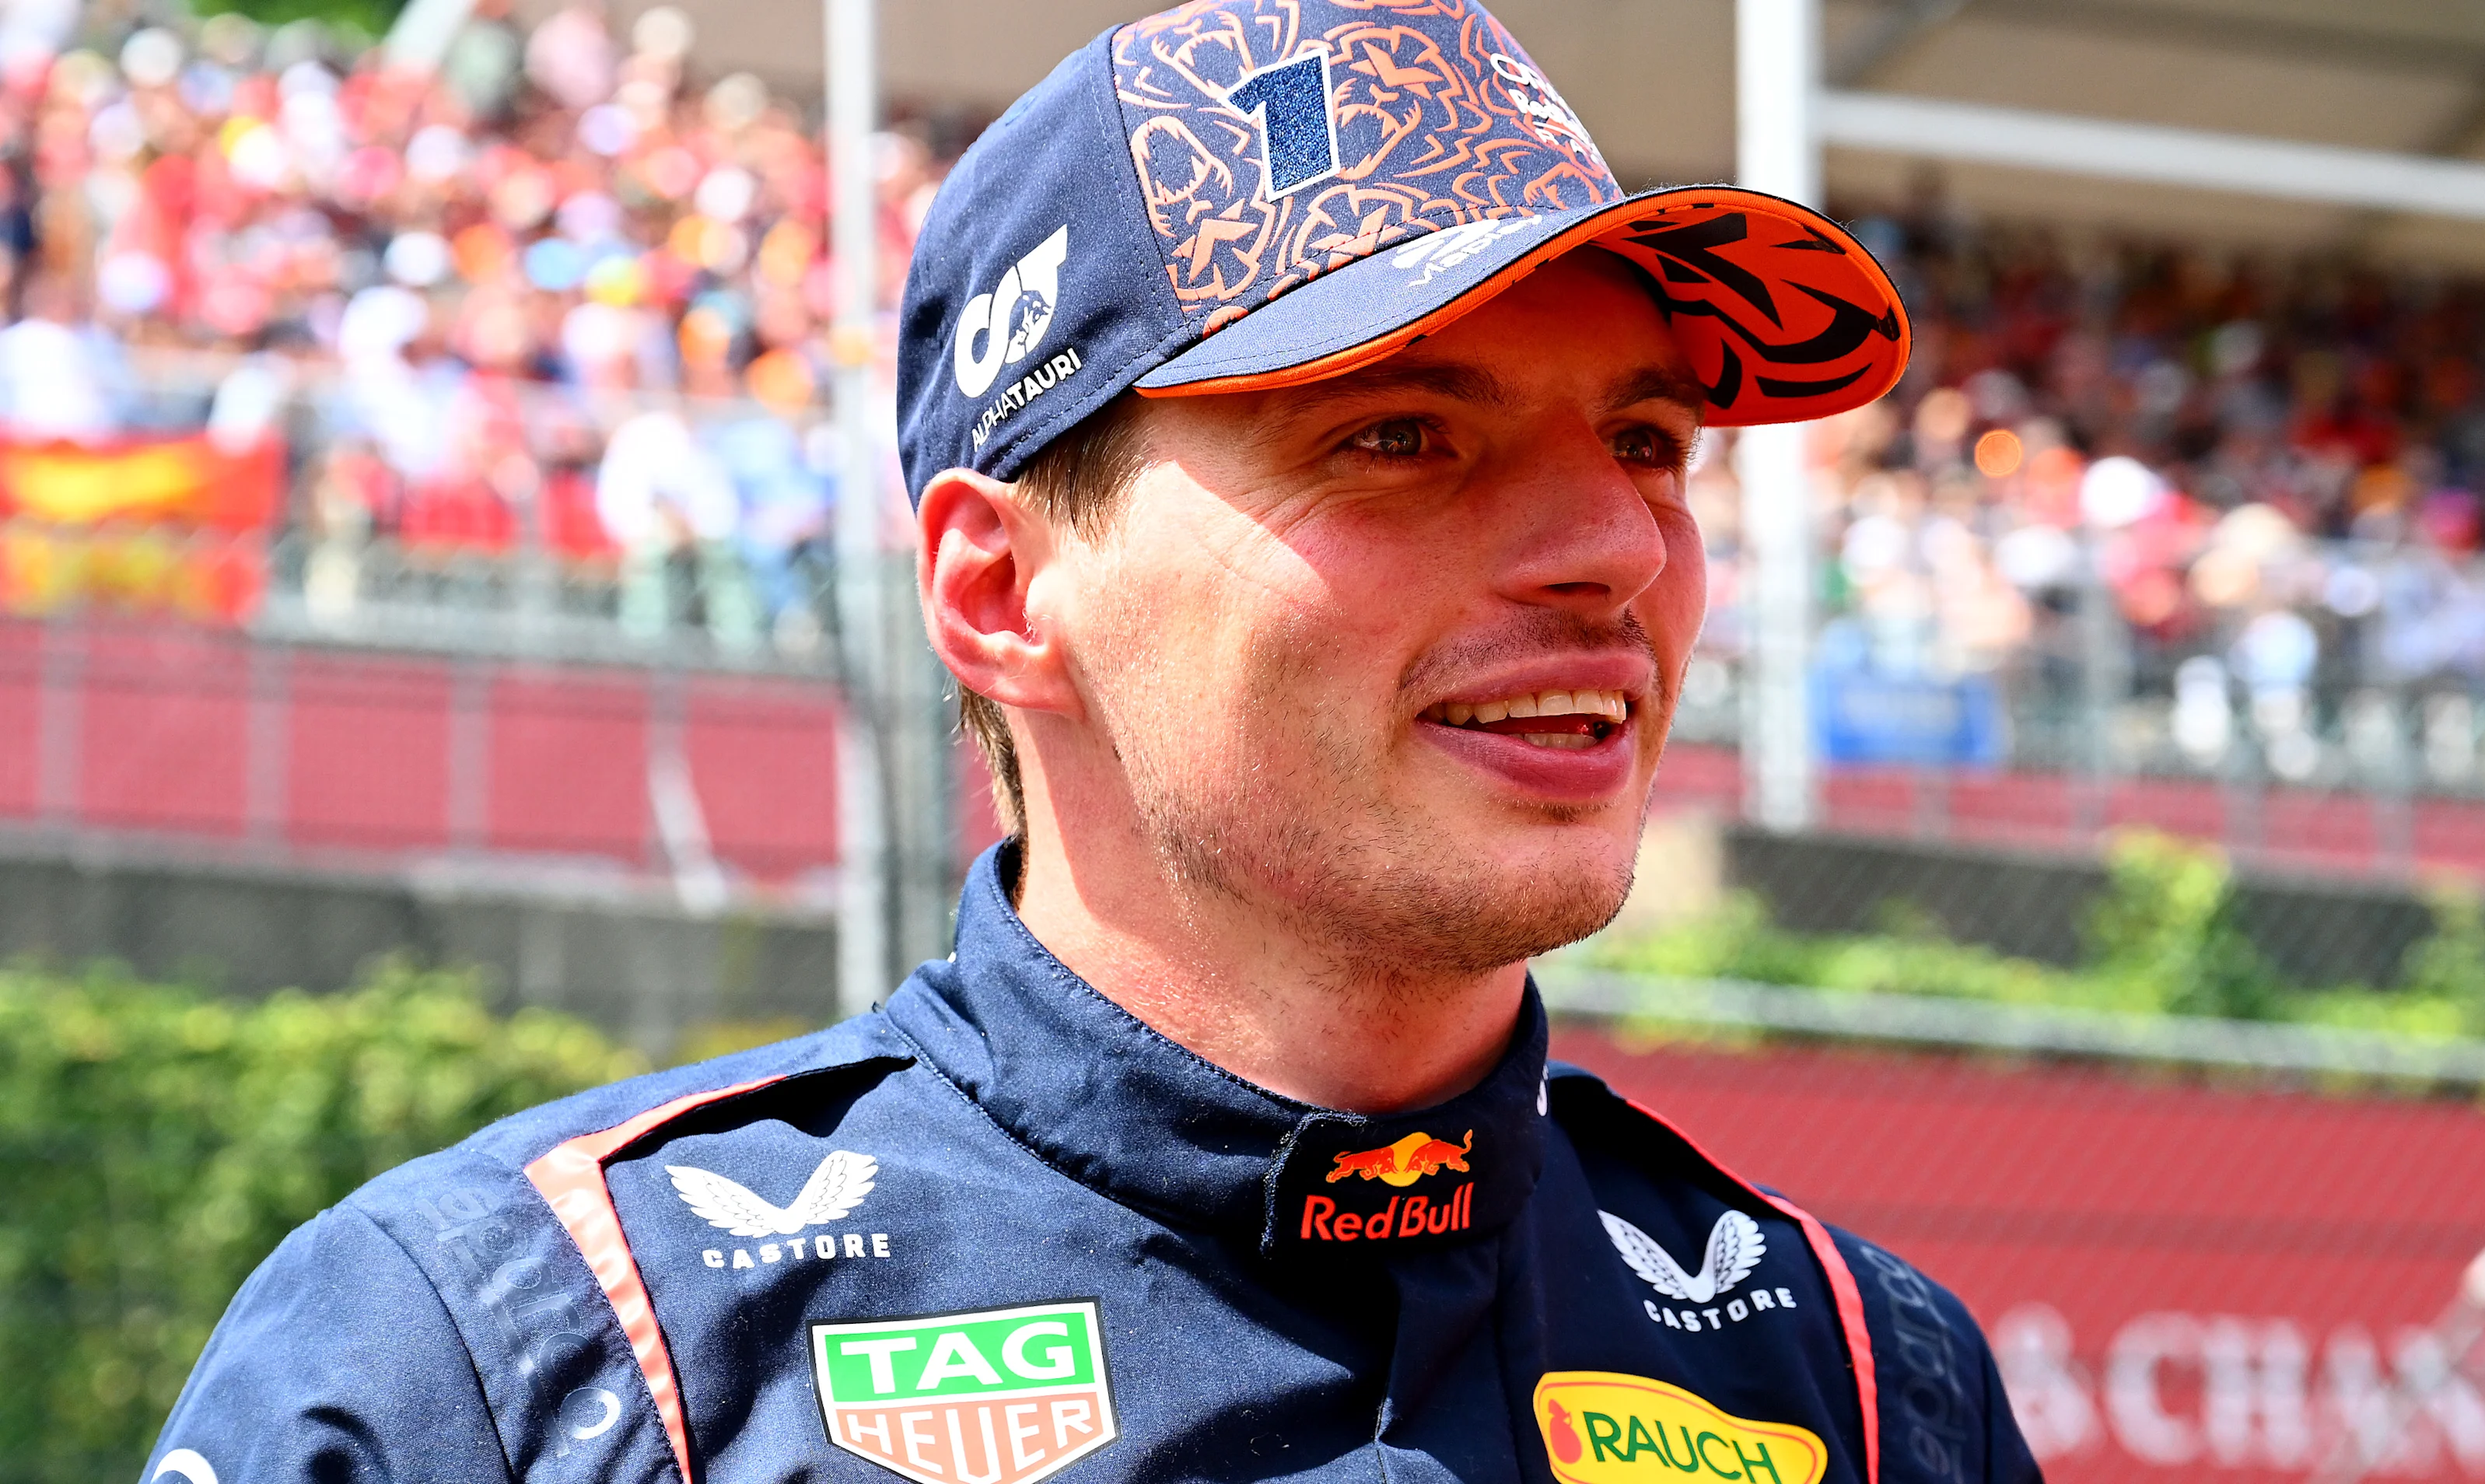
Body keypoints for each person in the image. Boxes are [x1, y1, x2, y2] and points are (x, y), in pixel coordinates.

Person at [143, 3, 2035, 1481]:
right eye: (1397, 436)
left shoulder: (1865, 1384)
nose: (1620, 550)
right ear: (995, 589)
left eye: (1645, 444)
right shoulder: (526, 1358)